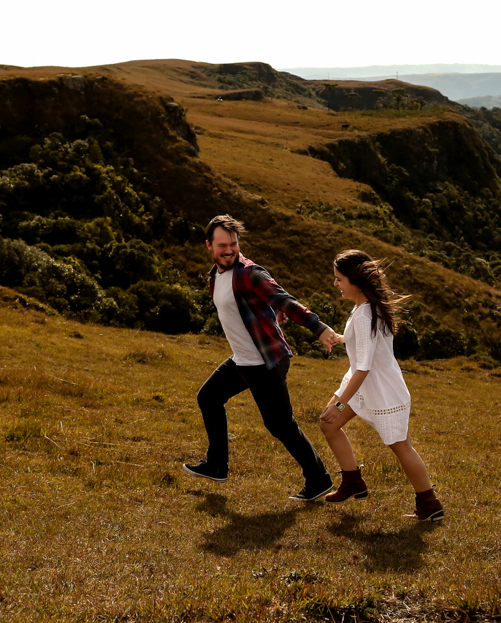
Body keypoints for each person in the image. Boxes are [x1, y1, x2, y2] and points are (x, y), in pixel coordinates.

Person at [183, 215, 340, 500]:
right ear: (209, 246)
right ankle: (217, 466)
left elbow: (284, 299)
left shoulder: (250, 272)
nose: (228, 250)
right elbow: (254, 308)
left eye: (233, 244)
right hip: (242, 359)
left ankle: (318, 480)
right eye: (222, 245)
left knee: (280, 425)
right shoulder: (214, 276)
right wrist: (271, 315)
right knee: (208, 397)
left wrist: (317, 328)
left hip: (266, 362)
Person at [318, 249, 445, 521]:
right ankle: (353, 482)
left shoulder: (365, 315)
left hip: (382, 392)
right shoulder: (364, 308)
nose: (335, 284)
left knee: (402, 448)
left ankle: (429, 503)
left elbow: (364, 367)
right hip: (363, 386)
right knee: (328, 424)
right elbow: (367, 347)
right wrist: (341, 339)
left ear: (356, 282)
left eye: (339, 279)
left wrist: (340, 402)